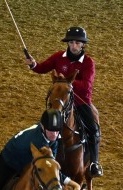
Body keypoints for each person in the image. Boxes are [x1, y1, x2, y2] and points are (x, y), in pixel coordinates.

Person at [25, 26, 104, 177]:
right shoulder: (58, 57)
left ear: (83, 45)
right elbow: (43, 67)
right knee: (43, 125)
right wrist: (33, 64)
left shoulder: (88, 63)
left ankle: (94, 162)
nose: (74, 46)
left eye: (78, 43)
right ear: (68, 43)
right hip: (60, 101)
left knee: (93, 129)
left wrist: (66, 83)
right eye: (72, 42)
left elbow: (87, 86)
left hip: (81, 102)